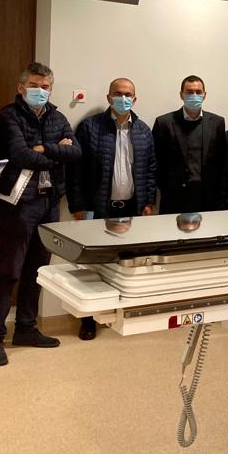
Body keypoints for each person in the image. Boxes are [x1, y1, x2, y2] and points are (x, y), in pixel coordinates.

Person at [0, 63, 82, 366]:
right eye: (35, 85)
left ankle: (26, 329)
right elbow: (20, 155)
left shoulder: (57, 116)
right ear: (21, 88)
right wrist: (55, 151)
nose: (41, 91)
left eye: (46, 86)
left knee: (38, 270)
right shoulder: (8, 116)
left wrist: (43, 149)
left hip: (49, 202)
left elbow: (76, 152)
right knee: (9, 270)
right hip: (18, 203)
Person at [67, 77, 157, 340]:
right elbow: (75, 170)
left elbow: (151, 169)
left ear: (135, 99)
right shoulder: (90, 127)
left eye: (128, 94)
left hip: (131, 209)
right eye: (118, 93)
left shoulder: (143, 130)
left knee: (125, 265)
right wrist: (77, 205)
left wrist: (148, 202)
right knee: (92, 266)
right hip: (98, 208)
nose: (123, 98)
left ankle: (121, 314)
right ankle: (88, 320)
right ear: (108, 97)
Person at [152, 76, 226, 214]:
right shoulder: (164, 123)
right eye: (189, 92)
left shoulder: (217, 123)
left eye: (198, 92)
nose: (194, 95)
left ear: (204, 95)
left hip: (208, 198)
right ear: (181, 95)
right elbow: (155, 161)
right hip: (174, 198)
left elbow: (222, 162)